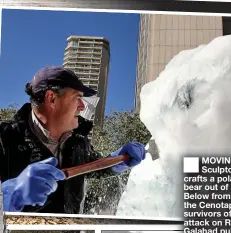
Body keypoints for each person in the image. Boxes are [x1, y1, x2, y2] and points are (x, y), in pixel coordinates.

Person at [0, 66, 146, 214]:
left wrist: (119, 160)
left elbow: (95, 169)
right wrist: (9, 194)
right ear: (52, 98)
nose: (82, 106)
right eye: (77, 98)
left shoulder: (78, 142)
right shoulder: (4, 138)